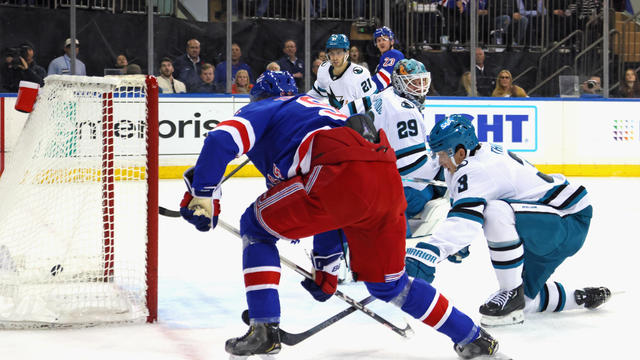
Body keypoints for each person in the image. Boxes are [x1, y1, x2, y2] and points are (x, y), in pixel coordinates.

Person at [179, 70, 500, 359]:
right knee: (390, 286)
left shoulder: (264, 107)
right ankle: (472, 337)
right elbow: (338, 206)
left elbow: (221, 139)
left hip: (335, 172)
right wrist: (327, 267)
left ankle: (264, 328)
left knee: (256, 225)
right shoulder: (318, 109)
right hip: (385, 181)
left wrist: (204, 192)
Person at [406, 114, 611, 327]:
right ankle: (581, 297)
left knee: (495, 211)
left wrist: (429, 253)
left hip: (567, 219)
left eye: (441, 154)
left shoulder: (476, 169)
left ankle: (509, 292)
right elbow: (465, 206)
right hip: (546, 223)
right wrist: (459, 243)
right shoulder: (474, 155)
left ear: (459, 151)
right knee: (527, 302)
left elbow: (465, 220)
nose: (439, 161)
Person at [340, 59, 448, 240]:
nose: (420, 88)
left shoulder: (384, 94)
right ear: (399, 82)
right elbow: (411, 167)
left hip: (367, 181)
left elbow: (343, 112)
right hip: (399, 190)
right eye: (413, 83)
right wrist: (440, 164)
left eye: (422, 82)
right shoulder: (404, 111)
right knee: (448, 170)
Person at [307, 34, 375, 109]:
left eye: (339, 53)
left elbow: (372, 101)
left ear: (347, 53)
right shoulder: (324, 68)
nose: (335, 58)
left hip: (356, 119)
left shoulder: (361, 74)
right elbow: (316, 93)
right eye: (332, 53)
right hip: (333, 118)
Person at [371, 26, 404, 92]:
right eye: (378, 40)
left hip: (393, 98)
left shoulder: (393, 54)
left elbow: (382, 80)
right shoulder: (386, 57)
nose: (381, 43)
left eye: (384, 40)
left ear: (392, 41)